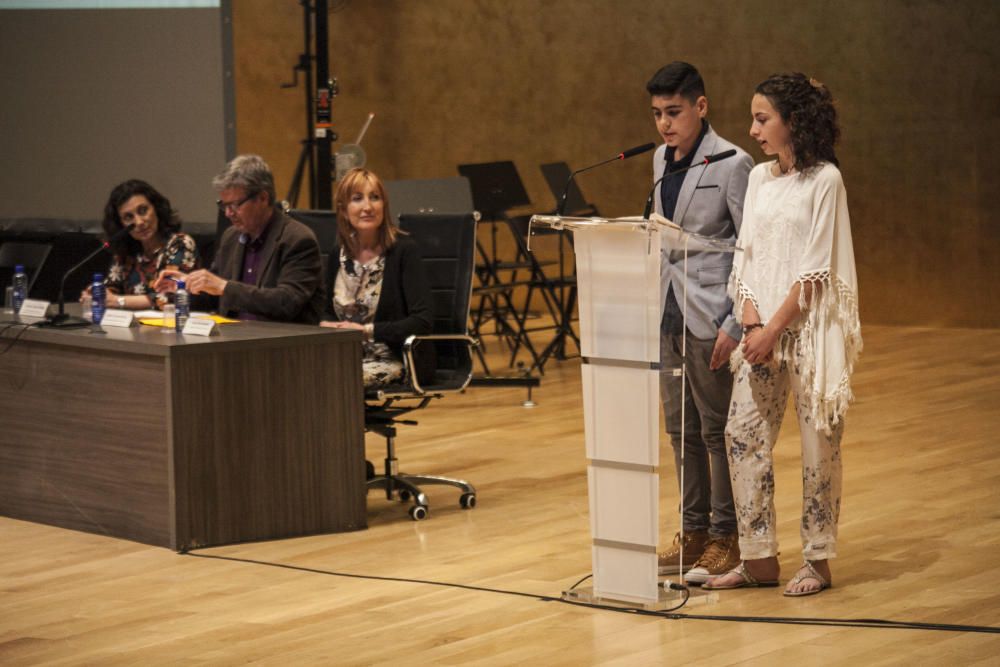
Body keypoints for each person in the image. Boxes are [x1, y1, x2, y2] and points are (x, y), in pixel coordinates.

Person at [702, 73, 861, 597]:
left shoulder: (825, 182)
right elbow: (745, 255)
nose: (752, 129)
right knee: (742, 435)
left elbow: (815, 273)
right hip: (758, 333)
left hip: (805, 335)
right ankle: (758, 557)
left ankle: (818, 559)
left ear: (793, 121)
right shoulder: (760, 179)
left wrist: (773, 329)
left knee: (819, 446)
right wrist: (750, 323)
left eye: (762, 118)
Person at [647, 62, 754, 585]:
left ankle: (725, 537)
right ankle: (690, 534)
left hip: (713, 312)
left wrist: (737, 319)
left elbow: (749, 249)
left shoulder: (734, 162)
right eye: (658, 114)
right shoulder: (658, 159)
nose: (665, 124)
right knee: (679, 429)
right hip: (667, 308)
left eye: (674, 112)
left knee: (715, 430)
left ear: (701, 107)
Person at [154, 154, 325, 324]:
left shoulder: (297, 239)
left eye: (235, 205)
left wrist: (224, 287)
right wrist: (184, 287)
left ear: (263, 198)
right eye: (224, 205)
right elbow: (214, 298)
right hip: (233, 340)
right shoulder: (231, 237)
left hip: (282, 345)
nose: (228, 213)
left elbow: (287, 302)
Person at [320, 168, 434, 388]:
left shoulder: (404, 251)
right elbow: (326, 310)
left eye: (375, 197)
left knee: (335, 382)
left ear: (384, 205)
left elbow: (423, 321)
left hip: (394, 358)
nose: (367, 207)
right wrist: (326, 325)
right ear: (344, 210)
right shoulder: (338, 253)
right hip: (346, 357)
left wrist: (366, 332)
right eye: (357, 199)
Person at [82, 179, 198, 310]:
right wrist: (95, 294)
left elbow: (166, 297)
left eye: (143, 210)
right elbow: (112, 289)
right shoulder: (125, 252)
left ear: (156, 208)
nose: (139, 222)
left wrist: (117, 301)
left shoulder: (180, 244)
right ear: (121, 225)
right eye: (128, 217)